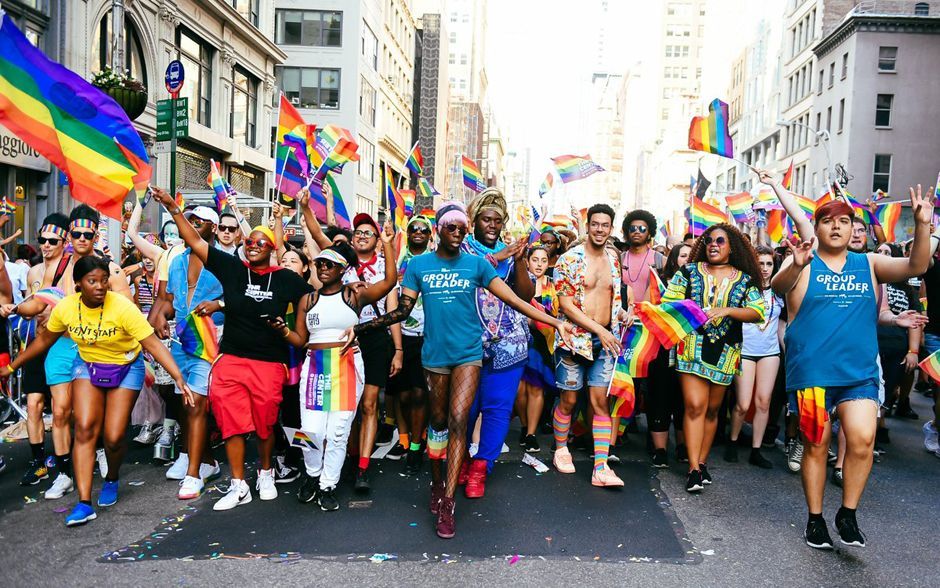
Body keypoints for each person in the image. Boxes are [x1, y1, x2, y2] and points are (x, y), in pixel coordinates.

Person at [355, 201, 572, 539]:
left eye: (461, 228)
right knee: (438, 423)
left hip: (469, 354)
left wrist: (556, 322)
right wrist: (362, 328)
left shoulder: (476, 265)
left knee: (459, 418)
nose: (457, 232)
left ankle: (447, 502)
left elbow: (516, 300)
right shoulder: (419, 266)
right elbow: (403, 310)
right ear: (438, 230)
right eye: (450, 227)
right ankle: (437, 479)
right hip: (435, 356)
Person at [767, 169, 933, 550]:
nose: (838, 227)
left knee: (861, 440)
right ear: (818, 228)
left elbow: (916, 267)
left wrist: (923, 226)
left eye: (845, 221)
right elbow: (777, 287)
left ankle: (848, 513)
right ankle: (814, 519)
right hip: (811, 375)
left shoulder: (870, 263)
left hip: (857, 374)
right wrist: (794, 262)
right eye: (829, 221)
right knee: (815, 445)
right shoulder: (803, 263)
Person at [150, 186, 313, 512]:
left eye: (260, 243)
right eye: (249, 241)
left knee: (265, 421)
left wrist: (286, 330)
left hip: (269, 362)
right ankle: (239, 484)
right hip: (232, 358)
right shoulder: (233, 269)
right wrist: (171, 207)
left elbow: (304, 332)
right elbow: (196, 241)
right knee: (231, 420)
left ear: (272, 248)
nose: (253, 246)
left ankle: (265, 472)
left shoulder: (288, 280)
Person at [6, 256, 193, 526]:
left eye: (104, 280)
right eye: (92, 281)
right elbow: (44, 340)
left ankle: (112, 477)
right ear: (79, 284)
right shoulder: (67, 308)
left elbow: (152, 344)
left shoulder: (122, 308)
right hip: (88, 365)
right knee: (84, 429)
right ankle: (84, 503)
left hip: (126, 366)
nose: (100, 286)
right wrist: (12, 367)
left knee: (115, 436)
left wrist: (179, 379)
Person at [8, 205, 132, 483]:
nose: (81, 238)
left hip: (98, 348)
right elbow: (44, 299)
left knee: (86, 413)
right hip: (59, 345)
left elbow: (128, 310)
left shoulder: (110, 270)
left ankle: (97, 449)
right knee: (61, 409)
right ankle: (63, 471)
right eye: (76, 233)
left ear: (95, 234)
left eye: (87, 233)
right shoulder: (57, 266)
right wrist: (21, 310)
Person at [279, 234, 396, 511]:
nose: (323, 268)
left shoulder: (354, 294)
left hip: (346, 365)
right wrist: (282, 331)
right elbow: (300, 338)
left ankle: (327, 485)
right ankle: (312, 473)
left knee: (339, 431)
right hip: (315, 366)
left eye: (330, 264)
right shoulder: (308, 299)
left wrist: (388, 244)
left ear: (342, 270)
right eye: (320, 263)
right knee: (310, 430)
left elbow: (390, 282)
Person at [662, 223, 764, 493]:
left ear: (732, 248)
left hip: (727, 350)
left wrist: (727, 310)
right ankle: (693, 468)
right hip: (691, 345)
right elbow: (668, 301)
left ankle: (703, 462)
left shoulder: (744, 280)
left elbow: (758, 311)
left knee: (712, 410)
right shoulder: (688, 272)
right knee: (695, 405)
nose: (713, 244)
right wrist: (690, 308)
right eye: (708, 240)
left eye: (720, 241)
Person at [458, 189, 533, 498]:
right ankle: (460, 461)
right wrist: (499, 257)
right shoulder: (461, 247)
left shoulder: (510, 251)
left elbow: (526, 295)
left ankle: (480, 468)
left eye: (497, 221)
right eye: (486, 219)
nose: (491, 225)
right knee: (465, 409)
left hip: (508, 343)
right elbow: (465, 275)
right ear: (475, 221)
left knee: (497, 408)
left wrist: (521, 261)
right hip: (467, 342)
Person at [551, 204, 630, 488]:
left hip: (605, 341)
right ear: (587, 225)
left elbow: (612, 299)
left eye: (605, 225)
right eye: (595, 224)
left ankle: (601, 467)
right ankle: (561, 448)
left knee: (600, 403)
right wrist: (599, 329)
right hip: (574, 340)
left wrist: (622, 315)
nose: (599, 229)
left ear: (611, 228)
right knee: (569, 400)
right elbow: (566, 305)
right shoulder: (569, 260)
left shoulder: (613, 258)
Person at [155, 206, 225, 499]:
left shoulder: (224, 261)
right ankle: (204, 460)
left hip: (211, 341)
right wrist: (161, 316)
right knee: (186, 403)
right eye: (189, 219)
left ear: (213, 228)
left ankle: (193, 473)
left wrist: (219, 306)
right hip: (182, 341)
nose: (192, 225)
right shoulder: (177, 261)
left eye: (199, 221)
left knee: (197, 404)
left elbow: (239, 300)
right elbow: (172, 301)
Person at [6, 213, 68, 490]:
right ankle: (38, 461)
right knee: (32, 404)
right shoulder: (33, 272)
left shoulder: (70, 270)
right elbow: (32, 307)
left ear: (63, 241)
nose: (45, 245)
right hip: (35, 345)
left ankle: (67, 459)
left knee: (61, 410)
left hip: (63, 346)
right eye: (41, 240)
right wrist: (19, 310)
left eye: (51, 240)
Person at [347, 212, 403, 493]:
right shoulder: (340, 263)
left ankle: (362, 467)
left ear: (377, 239)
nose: (362, 236)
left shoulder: (384, 267)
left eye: (369, 232)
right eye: (358, 232)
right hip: (344, 340)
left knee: (369, 404)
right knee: (348, 405)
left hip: (376, 340)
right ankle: (347, 456)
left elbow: (393, 311)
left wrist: (398, 350)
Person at [726, 245, 783, 469]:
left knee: (764, 402)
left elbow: (783, 321)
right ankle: (733, 440)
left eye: (769, 264)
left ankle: (756, 450)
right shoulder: (743, 289)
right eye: (761, 264)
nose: (766, 268)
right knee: (742, 403)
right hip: (746, 350)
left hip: (770, 351)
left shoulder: (779, 291)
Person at [386, 215, 434, 474]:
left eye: (423, 229)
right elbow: (391, 301)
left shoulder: (435, 261)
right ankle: (405, 437)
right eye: (413, 228)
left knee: (420, 394)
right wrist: (397, 346)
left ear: (429, 234)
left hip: (429, 338)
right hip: (401, 336)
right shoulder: (398, 262)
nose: (417, 232)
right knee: (402, 395)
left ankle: (416, 445)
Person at [646, 242, 691, 467]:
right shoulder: (658, 282)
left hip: (690, 351)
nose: (687, 259)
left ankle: (684, 446)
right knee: (660, 398)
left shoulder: (699, 284)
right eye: (683, 255)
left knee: (685, 401)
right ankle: (660, 450)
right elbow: (646, 309)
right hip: (661, 349)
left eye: (691, 256)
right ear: (674, 259)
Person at [516, 246, 557, 452]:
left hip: (542, 344)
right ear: (527, 261)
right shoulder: (518, 283)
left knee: (536, 389)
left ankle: (531, 433)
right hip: (517, 341)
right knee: (519, 391)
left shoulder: (554, 286)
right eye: (535, 259)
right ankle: (524, 426)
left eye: (543, 260)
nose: (539, 264)